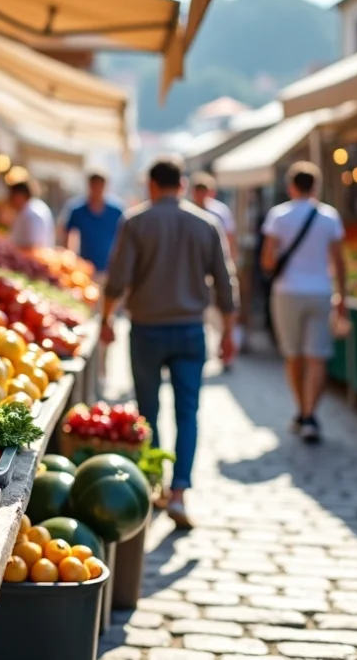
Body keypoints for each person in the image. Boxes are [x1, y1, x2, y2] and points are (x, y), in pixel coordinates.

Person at [100, 156, 237, 527]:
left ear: (151, 185)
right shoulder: (206, 224)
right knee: (188, 412)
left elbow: (117, 279)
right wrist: (228, 332)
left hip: (146, 330)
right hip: (192, 330)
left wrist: (107, 318)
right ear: (183, 184)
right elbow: (225, 283)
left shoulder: (136, 222)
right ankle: (179, 492)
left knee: (148, 410)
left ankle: (156, 482)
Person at [260, 161, 346, 444]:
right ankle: (310, 414)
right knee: (317, 356)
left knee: (293, 355)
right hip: (321, 290)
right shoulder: (329, 217)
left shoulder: (278, 216)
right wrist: (342, 297)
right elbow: (339, 262)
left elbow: (268, 261)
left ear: (291, 186)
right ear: (316, 186)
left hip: (287, 292)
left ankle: (301, 410)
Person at [190, 172, 239, 368]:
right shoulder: (188, 212)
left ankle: (225, 351)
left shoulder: (220, 212)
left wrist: (230, 264)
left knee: (221, 312)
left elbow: (230, 239)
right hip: (196, 272)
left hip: (216, 268)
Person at [58, 172, 125, 277]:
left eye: (100, 185)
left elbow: (123, 236)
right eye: (94, 185)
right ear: (89, 186)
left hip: (109, 267)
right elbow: (67, 233)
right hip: (84, 268)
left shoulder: (116, 211)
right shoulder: (78, 210)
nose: (97, 189)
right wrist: (70, 258)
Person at [7, 181, 55, 249]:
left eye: (12, 196)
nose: (10, 200)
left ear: (20, 195)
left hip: (31, 258)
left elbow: (33, 246)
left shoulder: (32, 213)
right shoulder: (29, 209)